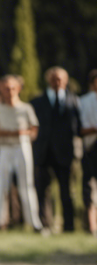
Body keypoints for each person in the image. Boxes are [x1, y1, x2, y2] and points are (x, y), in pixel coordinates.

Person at [0, 75, 42, 231]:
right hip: (4, 148)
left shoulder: (26, 108)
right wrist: (6, 133)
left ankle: (34, 223)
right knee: (0, 186)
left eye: (12, 88)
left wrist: (21, 133)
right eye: (6, 88)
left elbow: (34, 130)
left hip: (21, 147)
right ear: (1, 90)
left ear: (18, 89)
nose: (9, 91)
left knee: (27, 185)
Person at [31, 67, 80, 232]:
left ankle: (69, 226)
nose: (57, 82)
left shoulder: (74, 101)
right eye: (54, 79)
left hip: (65, 153)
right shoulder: (37, 102)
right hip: (43, 153)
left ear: (66, 81)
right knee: (42, 191)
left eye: (60, 79)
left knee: (67, 191)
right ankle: (44, 224)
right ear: (49, 80)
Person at [79, 69, 97, 236]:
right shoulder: (83, 102)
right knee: (89, 187)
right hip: (91, 148)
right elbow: (79, 127)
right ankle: (92, 226)